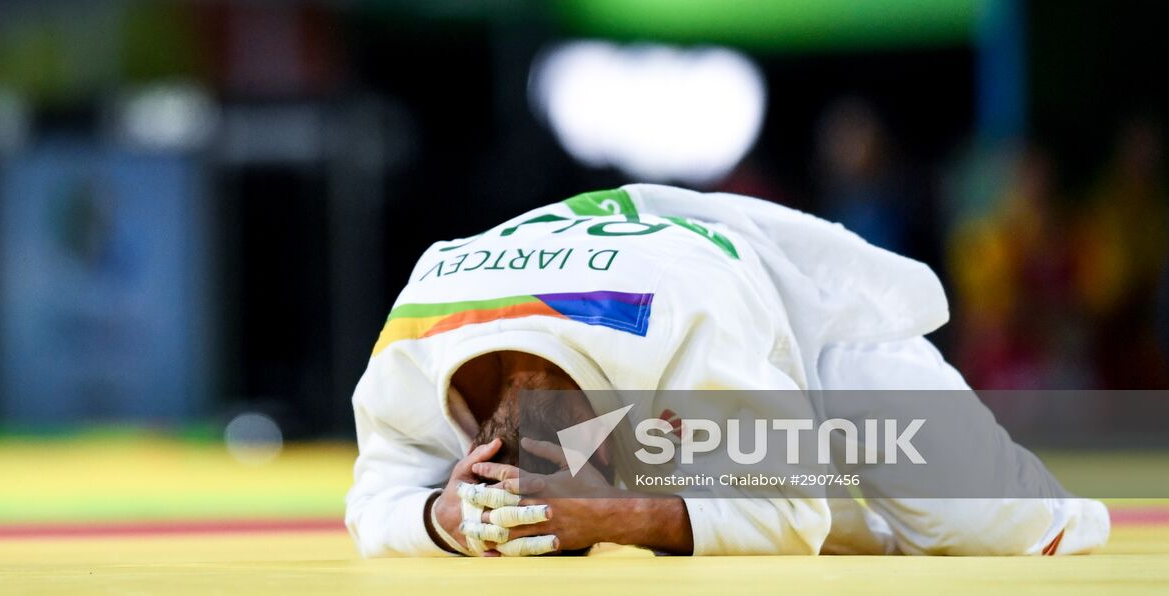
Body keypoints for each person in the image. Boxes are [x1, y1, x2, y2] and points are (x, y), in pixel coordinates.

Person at [345, 185, 1110, 558]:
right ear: (478, 437)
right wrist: (441, 519)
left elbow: (794, 507)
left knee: (989, 529)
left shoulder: (684, 329)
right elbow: (372, 504)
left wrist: (630, 516)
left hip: (805, 326)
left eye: (603, 468)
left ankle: (1069, 512)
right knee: (753, 488)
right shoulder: (412, 350)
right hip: (635, 280)